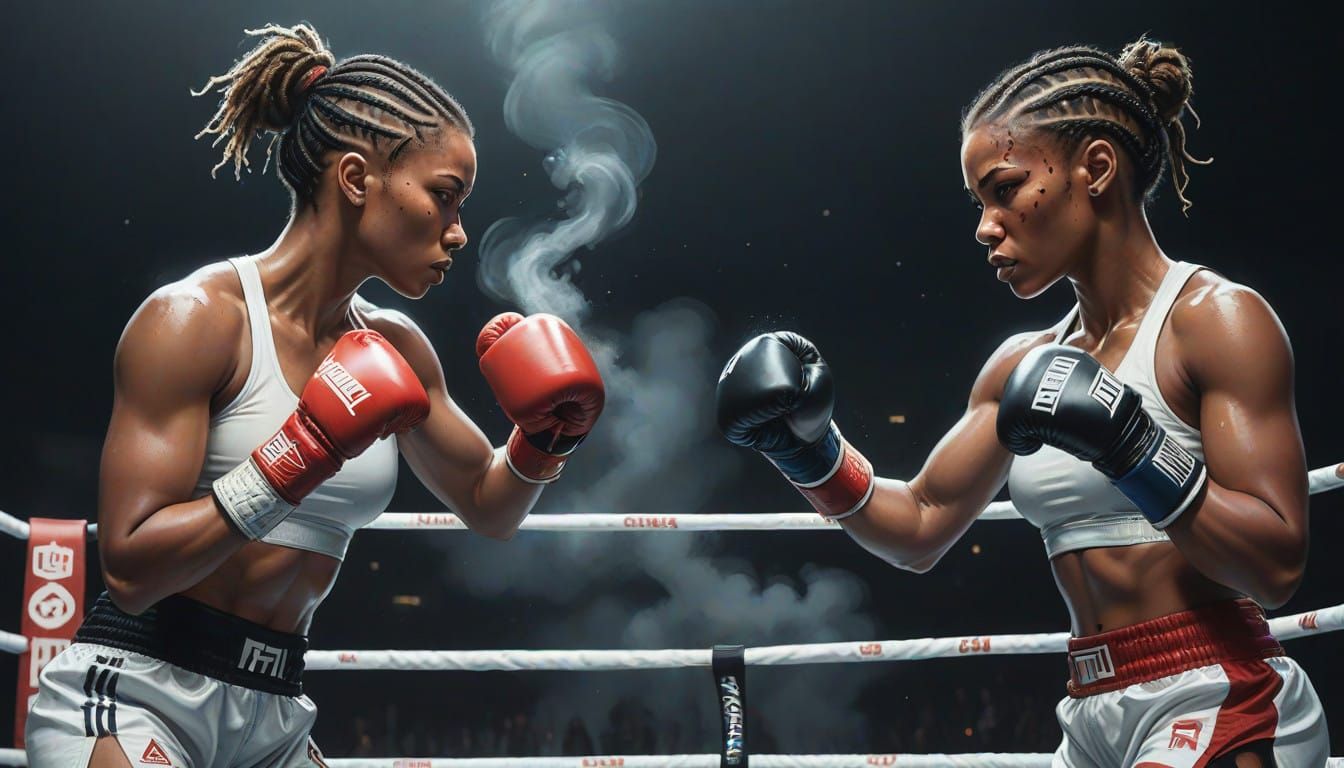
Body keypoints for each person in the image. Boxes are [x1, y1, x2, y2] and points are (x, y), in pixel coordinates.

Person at [717, 38, 1327, 766]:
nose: (985, 226)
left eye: (1005, 190)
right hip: (1091, 710)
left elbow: (1277, 568)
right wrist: (806, 451)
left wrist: (1135, 446)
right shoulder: (1021, 364)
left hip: (1217, 692)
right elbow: (919, 524)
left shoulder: (1216, 321)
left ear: (1095, 169)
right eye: (979, 202)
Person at [25, 23, 605, 768]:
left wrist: (543, 439)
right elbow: (132, 573)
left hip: (274, 712)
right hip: (138, 689)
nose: (458, 233)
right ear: (358, 179)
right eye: (444, 197)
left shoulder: (398, 346)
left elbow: (490, 506)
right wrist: (302, 451)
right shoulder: (197, 321)